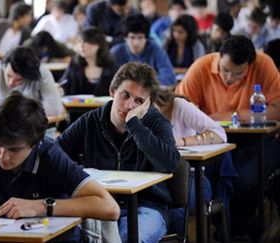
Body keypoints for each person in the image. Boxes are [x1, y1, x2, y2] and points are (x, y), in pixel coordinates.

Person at [0, 91, 120, 241]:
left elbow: (110, 208)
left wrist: (41, 207)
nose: (3, 156)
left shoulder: (50, 156)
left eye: (14, 149)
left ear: (34, 144)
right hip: (7, 235)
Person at [58, 62, 180, 243]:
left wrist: (135, 125)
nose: (130, 105)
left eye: (139, 101)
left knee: (126, 239)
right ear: (112, 91)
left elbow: (171, 163)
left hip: (146, 207)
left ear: (147, 105)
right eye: (125, 95)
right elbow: (56, 153)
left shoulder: (157, 123)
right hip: (98, 204)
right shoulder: (91, 120)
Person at [176, 35, 280, 240]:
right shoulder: (202, 66)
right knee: (212, 181)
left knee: (245, 180)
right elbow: (181, 106)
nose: (228, 78)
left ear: (250, 66)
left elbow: (277, 110)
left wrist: (230, 115)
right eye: (224, 70)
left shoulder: (264, 64)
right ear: (219, 57)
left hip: (257, 140)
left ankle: (238, 231)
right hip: (214, 141)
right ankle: (229, 230)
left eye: (238, 74)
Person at [153, 89, 236, 237]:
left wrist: (183, 142)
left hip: (191, 177)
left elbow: (219, 134)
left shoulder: (178, 106)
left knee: (176, 206)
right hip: (157, 177)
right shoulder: (133, 115)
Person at [0, 46, 64, 117]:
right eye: (8, 76)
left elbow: (55, 109)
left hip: (36, 130)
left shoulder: (42, 74)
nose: (10, 83)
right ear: (4, 66)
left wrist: (6, 111)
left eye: (18, 80)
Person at [110, 14, 176, 86]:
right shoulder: (115, 52)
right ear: (125, 38)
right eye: (132, 37)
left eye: (140, 37)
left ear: (146, 38)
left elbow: (169, 78)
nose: (136, 43)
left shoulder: (156, 50)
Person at [60, 27, 118, 96]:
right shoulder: (74, 64)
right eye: (80, 41)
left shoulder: (111, 66)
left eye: (86, 41)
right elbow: (64, 83)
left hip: (104, 106)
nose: (81, 45)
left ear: (98, 45)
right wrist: (60, 89)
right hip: (77, 106)